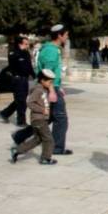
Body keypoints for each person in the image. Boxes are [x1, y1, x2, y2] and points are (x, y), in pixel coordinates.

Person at [9, 69, 58, 165]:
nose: (51, 84)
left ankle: (17, 150)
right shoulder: (37, 90)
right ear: (42, 80)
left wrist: (51, 89)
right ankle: (45, 158)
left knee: (37, 139)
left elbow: (53, 99)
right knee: (49, 139)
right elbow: (29, 102)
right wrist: (42, 110)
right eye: (49, 82)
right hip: (39, 119)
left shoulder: (44, 89)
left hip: (40, 119)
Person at [37, 24, 71, 155]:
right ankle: (57, 147)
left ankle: (20, 136)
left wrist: (58, 86)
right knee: (61, 118)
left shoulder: (53, 49)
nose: (67, 37)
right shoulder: (51, 50)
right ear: (59, 35)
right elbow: (47, 72)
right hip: (51, 87)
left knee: (48, 118)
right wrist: (52, 89)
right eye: (66, 35)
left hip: (55, 86)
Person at [0, 36, 35, 126]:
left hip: (25, 79)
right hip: (17, 79)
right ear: (20, 44)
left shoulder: (26, 53)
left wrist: (34, 76)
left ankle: (5, 113)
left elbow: (29, 66)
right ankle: (21, 121)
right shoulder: (13, 52)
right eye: (26, 44)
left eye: (28, 44)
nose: (27, 45)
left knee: (20, 100)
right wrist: (21, 51)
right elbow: (12, 62)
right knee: (21, 101)